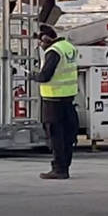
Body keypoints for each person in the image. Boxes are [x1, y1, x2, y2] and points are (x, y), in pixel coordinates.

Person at [30, 23, 79, 180]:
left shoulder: (54, 52)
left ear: (46, 39)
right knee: (67, 136)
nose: (40, 45)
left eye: (40, 42)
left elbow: (45, 76)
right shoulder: (68, 47)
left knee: (55, 136)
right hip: (68, 98)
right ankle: (65, 167)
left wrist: (34, 76)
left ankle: (59, 169)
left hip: (53, 100)